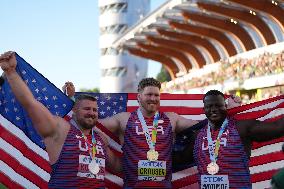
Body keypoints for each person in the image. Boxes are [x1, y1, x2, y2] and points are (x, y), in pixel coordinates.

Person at [65, 78, 240, 188]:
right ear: (138, 97)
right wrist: (71, 101)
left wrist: (228, 109)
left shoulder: (172, 119)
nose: (153, 99)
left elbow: (206, 126)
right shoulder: (123, 119)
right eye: (149, 94)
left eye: (156, 95)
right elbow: (89, 124)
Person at [0, 51, 120, 188]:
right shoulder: (60, 130)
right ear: (74, 110)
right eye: (87, 109)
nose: (92, 113)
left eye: (95, 110)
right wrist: (10, 72)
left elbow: (117, 166)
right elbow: (30, 103)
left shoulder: (101, 139)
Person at [191, 90, 284, 189]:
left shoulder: (241, 128)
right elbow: (177, 159)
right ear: (204, 109)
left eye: (218, 105)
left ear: (225, 107)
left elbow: (278, 127)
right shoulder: (198, 136)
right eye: (209, 107)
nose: (213, 109)